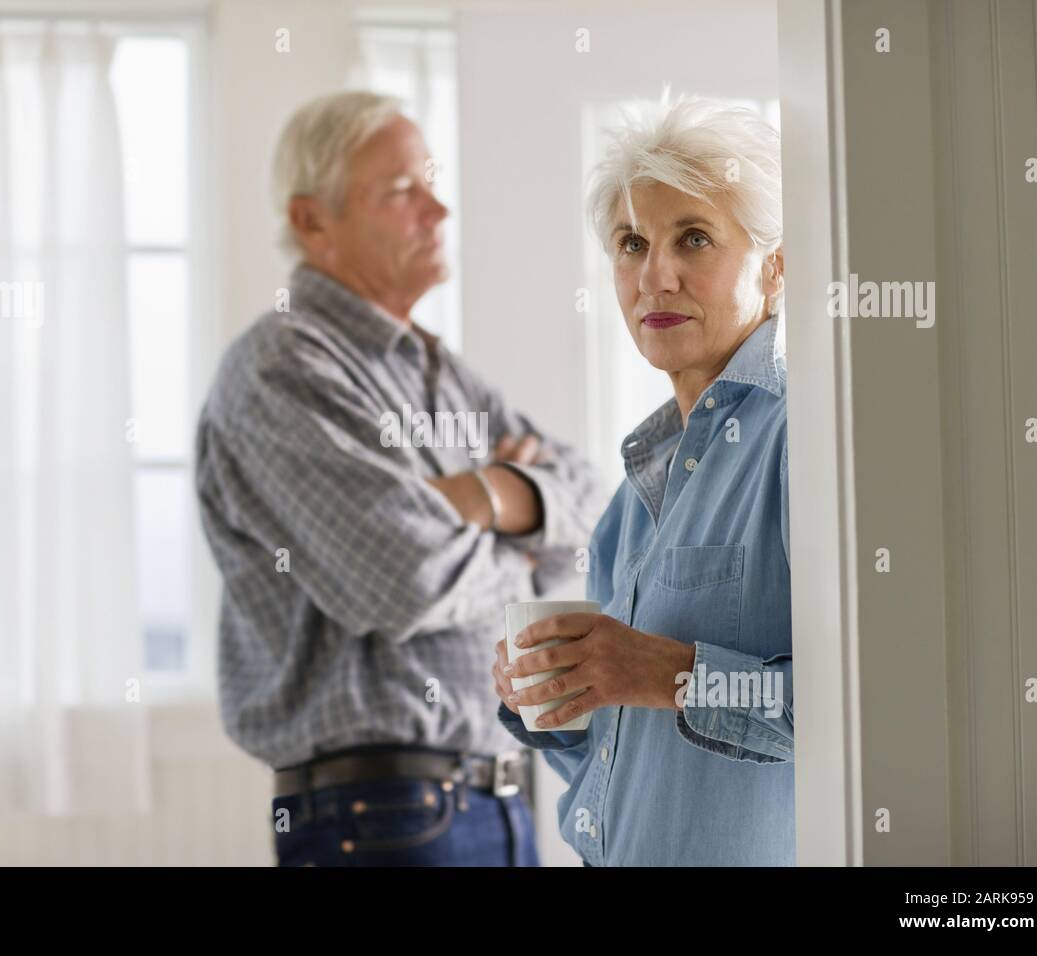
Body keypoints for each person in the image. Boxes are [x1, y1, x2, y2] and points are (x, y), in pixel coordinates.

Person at [194, 91, 603, 866]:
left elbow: (592, 514)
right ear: (313, 221)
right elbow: (404, 580)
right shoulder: (284, 367)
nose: (439, 210)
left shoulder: (442, 371)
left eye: (432, 182)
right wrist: (523, 541)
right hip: (384, 818)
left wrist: (488, 495)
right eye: (402, 191)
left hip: (504, 796)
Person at [492, 94, 794, 865]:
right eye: (632, 244)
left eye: (694, 238)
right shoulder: (631, 498)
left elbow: (867, 714)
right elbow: (614, 760)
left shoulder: (806, 442)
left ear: (777, 268)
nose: (655, 277)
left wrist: (674, 677)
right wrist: (550, 697)